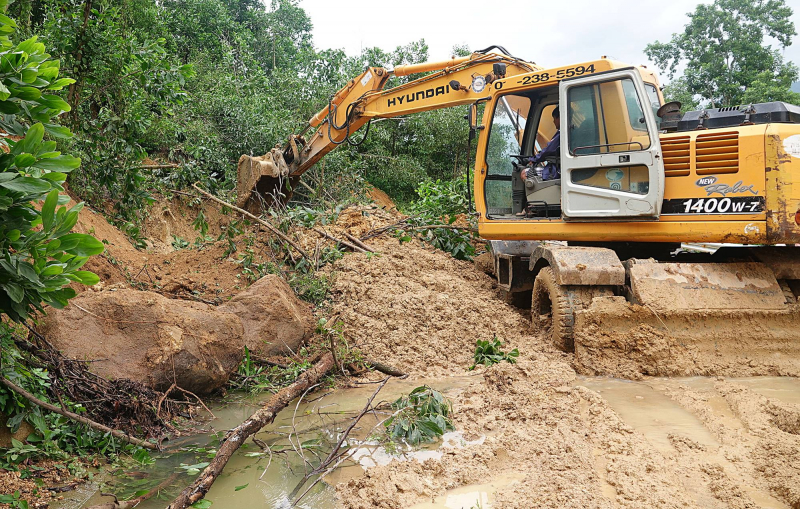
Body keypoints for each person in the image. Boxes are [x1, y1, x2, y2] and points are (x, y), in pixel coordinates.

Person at [523, 106, 560, 181]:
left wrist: (533, 159)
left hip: (556, 170)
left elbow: (548, 150)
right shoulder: (570, 131)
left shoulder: (561, 133)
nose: (553, 122)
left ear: (560, 117)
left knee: (524, 173)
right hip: (559, 167)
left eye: (554, 119)